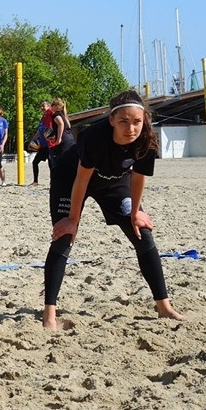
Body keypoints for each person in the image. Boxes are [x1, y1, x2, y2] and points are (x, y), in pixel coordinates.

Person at [42, 89, 183, 331]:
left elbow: (138, 178)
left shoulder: (147, 139)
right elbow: (82, 181)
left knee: (142, 233)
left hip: (114, 181)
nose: (131, 128)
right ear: (111, 121)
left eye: (137, 121)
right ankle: (49, 316)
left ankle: (164, 306)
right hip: (71, 178)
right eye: (124, 122)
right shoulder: (94, 137)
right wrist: (73, 220)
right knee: (65, 235)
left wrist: (136, 211)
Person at [46, 97, 75, 168]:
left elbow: (61, 124)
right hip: (70, 140)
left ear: (56, 106)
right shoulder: (63, 115)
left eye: (52, 105)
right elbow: (68, 126)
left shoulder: (56, 114)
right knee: (69, 161)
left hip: (64, 141)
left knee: (60, 162)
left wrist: (58, 139)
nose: (51, 107)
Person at [30, 100, 53, 185]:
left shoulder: (51, 115)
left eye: (44, 106)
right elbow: (39, 132)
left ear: (49, 106)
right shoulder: (43, 118)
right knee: (35, 162)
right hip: (42, 146)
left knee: (51, 165)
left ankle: (52, 182)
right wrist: (32, 140)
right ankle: (35, 181)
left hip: (50, 146)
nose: (42, 108)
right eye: (41, 106)